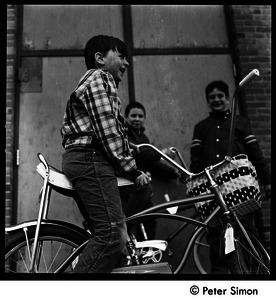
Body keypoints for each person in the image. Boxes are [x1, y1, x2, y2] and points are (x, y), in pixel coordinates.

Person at [60, 35, 150, 273]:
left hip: (86, 158)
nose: (126, 63)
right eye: (121, 56)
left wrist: (129, 150)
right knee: (112, 236)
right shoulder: (99, 78)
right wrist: (132, 169)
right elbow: (107, 130)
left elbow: (108, 131)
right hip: (90, 159)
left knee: (111, 235)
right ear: (100, 59)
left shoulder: (95, 82)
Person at [189, 80, 271, 273]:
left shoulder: (240, 122)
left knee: (246, 233)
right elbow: (196, 159)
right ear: (207, 101)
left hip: (239, 190)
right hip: (213, 193)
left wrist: (267, 182)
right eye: (212, 97)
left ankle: (254, 276)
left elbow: (255, 152)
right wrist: (195, 184)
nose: (216, 100)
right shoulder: (201, 128)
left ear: (227, 98)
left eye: (220, 96)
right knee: (217, 236)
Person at [121, 101, 181, 240]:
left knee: (149, 218)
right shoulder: (124, 134)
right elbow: (139, 154)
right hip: (127, 182)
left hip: (141, 181)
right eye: (133, 115)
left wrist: (173, 173)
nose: (137, 119)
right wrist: (161, 153)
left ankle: (146, 252)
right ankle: (124, 229)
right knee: (131, 219)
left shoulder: (143, 137)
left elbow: (151, 162)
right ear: (126, 117)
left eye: (140, 116)